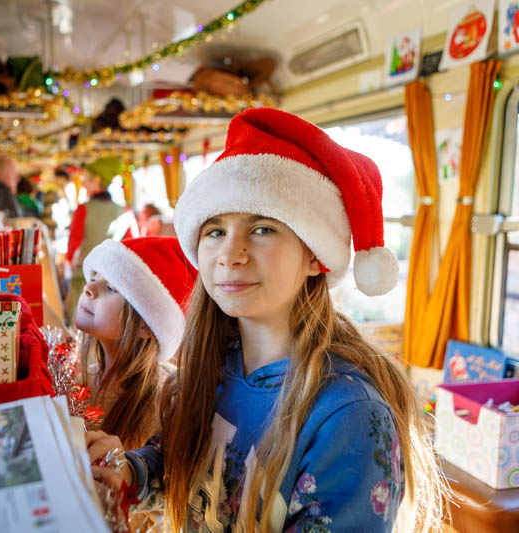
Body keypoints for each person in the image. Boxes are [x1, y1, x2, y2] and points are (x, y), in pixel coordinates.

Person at [86, 108, 445, 532]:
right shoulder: (209, 371)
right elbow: (177, 463)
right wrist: (126, 472)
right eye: (215, 231)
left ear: (315, 256)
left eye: (262, 229)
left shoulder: (347, 417)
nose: (230, 254)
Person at [75, 236, 197, 449]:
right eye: (94, 277)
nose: (89, 288)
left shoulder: (160, 410)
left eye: (111, 288)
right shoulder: (74, 377)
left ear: (145, 326)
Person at [65, 156, 138, 322]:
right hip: (113, 282)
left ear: (97, 180)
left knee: (80, 325)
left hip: (85, 280)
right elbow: (134, 246)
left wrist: (69, 263)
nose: (82, 184)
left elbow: (73, 246)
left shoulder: (83, 210)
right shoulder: (125, 212)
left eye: (85, 179)